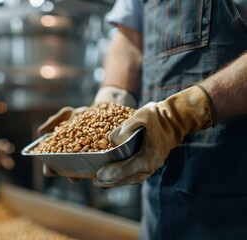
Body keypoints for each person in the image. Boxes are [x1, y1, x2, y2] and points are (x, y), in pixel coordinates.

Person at [37, 0, 247, 239]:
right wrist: (113, 96)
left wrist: (184, 112)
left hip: (231, 192)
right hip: (155, 195)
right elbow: (128, 38)